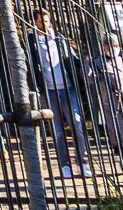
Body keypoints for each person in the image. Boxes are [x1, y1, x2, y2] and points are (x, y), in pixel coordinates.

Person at [29, 10, 86, 175]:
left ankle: (82, 162)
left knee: (77, 124)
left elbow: (72, 57)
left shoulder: (59, 38)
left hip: (68, 87)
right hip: (49, 90)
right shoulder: (32, 41)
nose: (45, 25)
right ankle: (64, 165)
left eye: (47, 21)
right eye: (41, 22)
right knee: (57, 130)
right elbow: (33, 66)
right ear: (35, 23)